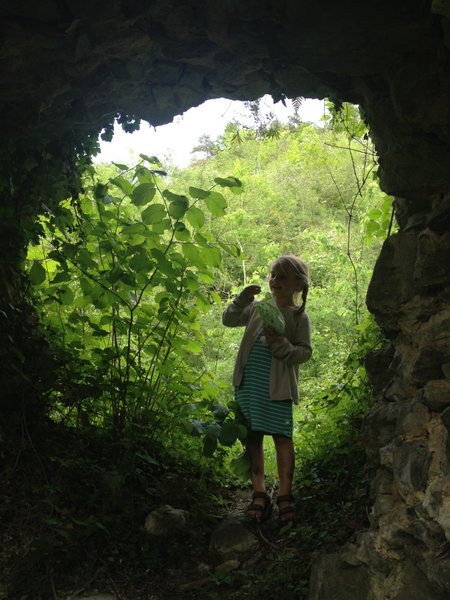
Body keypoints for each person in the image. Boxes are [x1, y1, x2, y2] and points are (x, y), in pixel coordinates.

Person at [222, 255, 312, 523]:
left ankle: (285, 495)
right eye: (272, 275)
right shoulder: (258, 309)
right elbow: (228, 320)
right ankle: (259, 493)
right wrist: (242, 300)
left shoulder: (299, 316)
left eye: (282, 276)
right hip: (249, 384)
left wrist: (282, 346)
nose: (274, 281)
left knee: (282, 437)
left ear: (299, 283)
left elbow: (304, 353)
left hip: (278, 389)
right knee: (252, 436)